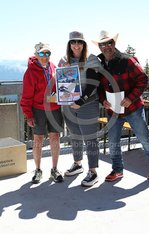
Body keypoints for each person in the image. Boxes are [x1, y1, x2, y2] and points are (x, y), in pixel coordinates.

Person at [92, 30, 149, 181]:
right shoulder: (99, 64)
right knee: (113, 141)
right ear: (100, 47)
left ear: (114, 44)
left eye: (110, 43)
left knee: (144, 139)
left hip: (133, 108)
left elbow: (143, 79)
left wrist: (130, 98)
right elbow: (99, 88)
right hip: (113, 110)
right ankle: (117, 170)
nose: (107, 46)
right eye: (103, 44)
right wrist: (103, 100)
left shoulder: (128, 60)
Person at [58, 31, 100, 187]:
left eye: (79, 42)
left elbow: (93, 84)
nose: (76, 45)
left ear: (84, 44)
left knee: (90, 139)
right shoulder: (63, 60)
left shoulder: (91, 59)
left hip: (87, 105)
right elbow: (61, 83)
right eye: (73, 42)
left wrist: (81, 102)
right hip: (69, 106)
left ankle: (93, 171)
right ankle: (78, 164)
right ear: (69, 44)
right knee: (75, 135)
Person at [20, 42, 64, 184]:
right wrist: (28, 115)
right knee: (38, 140)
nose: (45, 56)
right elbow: (26, 96)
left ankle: (55, 169)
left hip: (55, 108)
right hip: (38, 110)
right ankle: (38, 170)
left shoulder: (53, 67)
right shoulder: (30, 72)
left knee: (55, 138)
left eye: (47, 53)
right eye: (42, 53)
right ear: (36, 54)